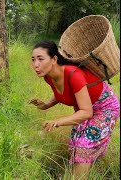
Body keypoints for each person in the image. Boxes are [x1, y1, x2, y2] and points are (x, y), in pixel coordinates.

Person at [29, 40, 120, 179]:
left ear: (54, 59)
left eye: (41, 59)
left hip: (105, 107)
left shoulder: (73, 74)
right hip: (84, 107)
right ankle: (86, 172)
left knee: (84, 143)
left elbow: (87, 112)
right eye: (33, 60)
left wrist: (58, 121)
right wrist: (46, 105)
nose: (36, 65)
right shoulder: (48, 77)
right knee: (75, 143)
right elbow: (64, 92)